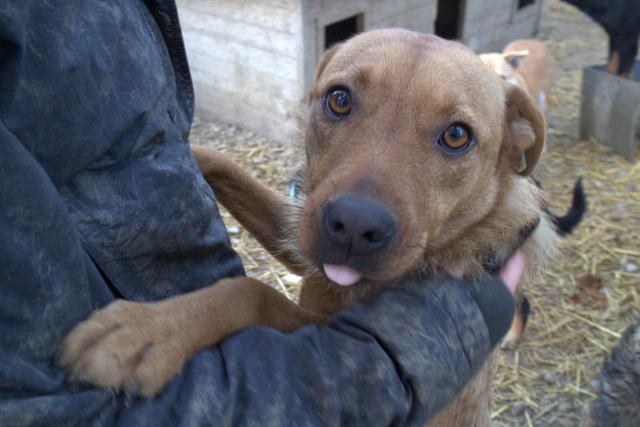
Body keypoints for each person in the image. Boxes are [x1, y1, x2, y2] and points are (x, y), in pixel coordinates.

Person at [0, 1, 523, 425]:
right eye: (341, 103)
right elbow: (312, 256)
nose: (360, 214)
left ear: (512, 152)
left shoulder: (473, 261)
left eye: (453, 136)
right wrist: (211, 172)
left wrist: (248, 300)